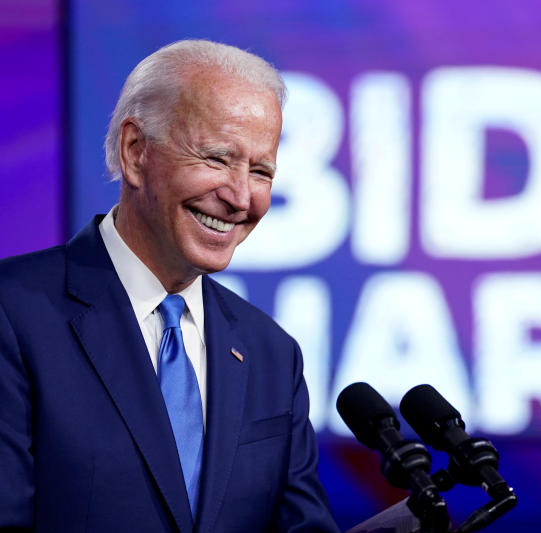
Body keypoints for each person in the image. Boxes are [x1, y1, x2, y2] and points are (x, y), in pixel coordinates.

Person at [0, 40, 340, 532]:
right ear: (136, 152)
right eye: (218, 159)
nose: (241, 197)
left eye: (261, 170)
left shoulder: (271, 354)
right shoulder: (15, 315)